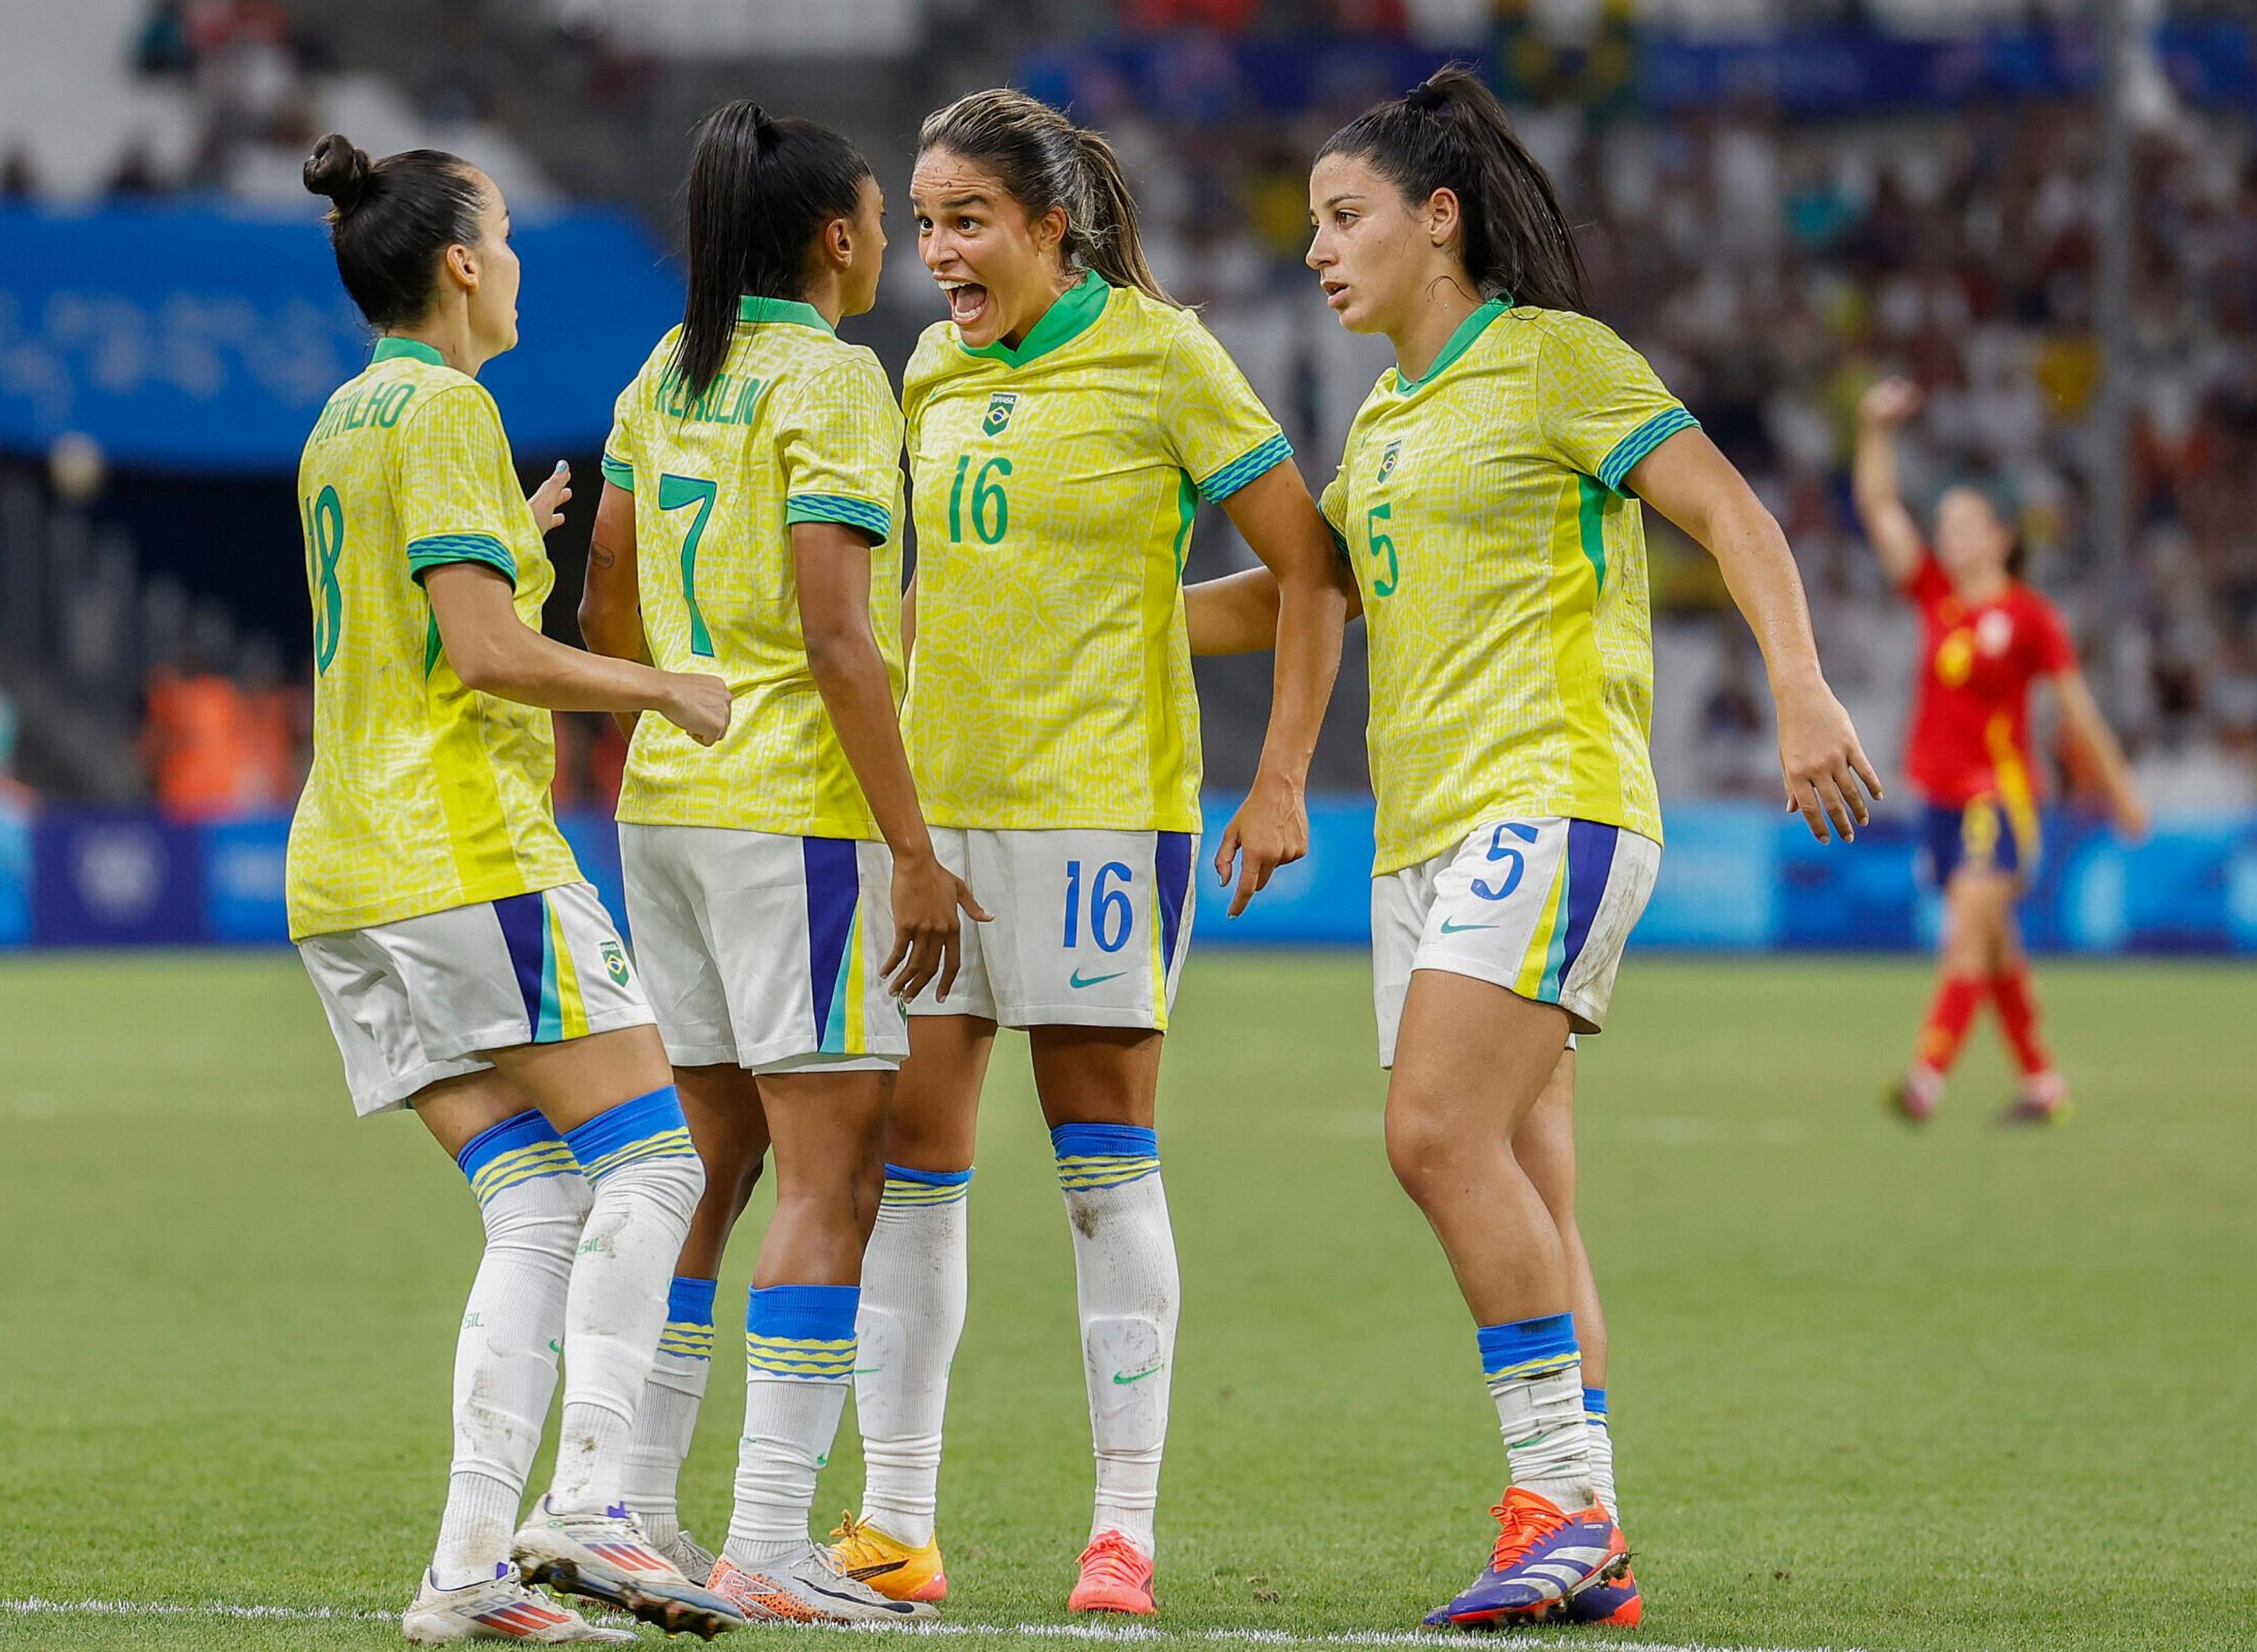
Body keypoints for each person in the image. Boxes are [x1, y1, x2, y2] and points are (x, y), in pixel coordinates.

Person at [1188, 66, 1879, 1630]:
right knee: (1531, 1188)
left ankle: (1553, 1505)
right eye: (1309, 223)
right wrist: (1099, 624)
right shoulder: (1380, 418)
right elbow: (1297, 596)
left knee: (1431, 1135)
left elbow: (1728, 510)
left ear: (1438, 222)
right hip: (1422, 836)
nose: (1315, 249)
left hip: (1548, 798)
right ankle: (1594, 1531)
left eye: (1342, 217)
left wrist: (1797, 683)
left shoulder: (1558, 361)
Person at [827, 87, 1349, 1620]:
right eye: (924, 226)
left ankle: (1123, 1529)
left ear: (1055, 226)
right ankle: (897, 1524)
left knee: (1098, 1165)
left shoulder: (1163, 357)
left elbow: (1308, 564)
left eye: (969, 223)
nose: (938, 258)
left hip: (1106, 812)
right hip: (939, 821)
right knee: (908, 1165)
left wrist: (1279, 779)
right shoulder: (927, 367)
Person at [287, 131, 744, 1646]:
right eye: (508, 232)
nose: (524, 258)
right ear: (463, 261)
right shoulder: (446, 410)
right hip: (461, 855)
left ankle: (469, 1574)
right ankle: (596, 1502)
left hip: (347, 875)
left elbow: (426, 625)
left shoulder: (348, 419)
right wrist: (654, 683)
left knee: (540, 1204)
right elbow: (486, 657)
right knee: (659, 1161)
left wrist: (518, 549)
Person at [578, 101, 982, 1624]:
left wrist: (661, 700)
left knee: (710, 1162)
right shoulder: (829, 379)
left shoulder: (664, 371)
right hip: (788, 817)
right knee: (836, 1170)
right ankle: (764, 1539)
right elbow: (837, 638)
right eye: (886, 218)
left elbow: (606, 580)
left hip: (665, 805)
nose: (897, 242)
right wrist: (916, 852)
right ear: (833, 235)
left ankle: (627, 1502)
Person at [1855, 379, 2146, 1125]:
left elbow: (2077, 710)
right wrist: (1873, 428)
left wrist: (2118, 790)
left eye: (1965, 522)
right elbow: (1880, 511)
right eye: (1944, 522)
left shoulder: (2029, 618)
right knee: (1996, 950)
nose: (1948, 534)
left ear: (2002, 536)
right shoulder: (1935, 599)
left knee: (1965, 936)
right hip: (1939, 800)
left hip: (2001, 796)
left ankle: (1925, 1080)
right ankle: (2044, 1086)